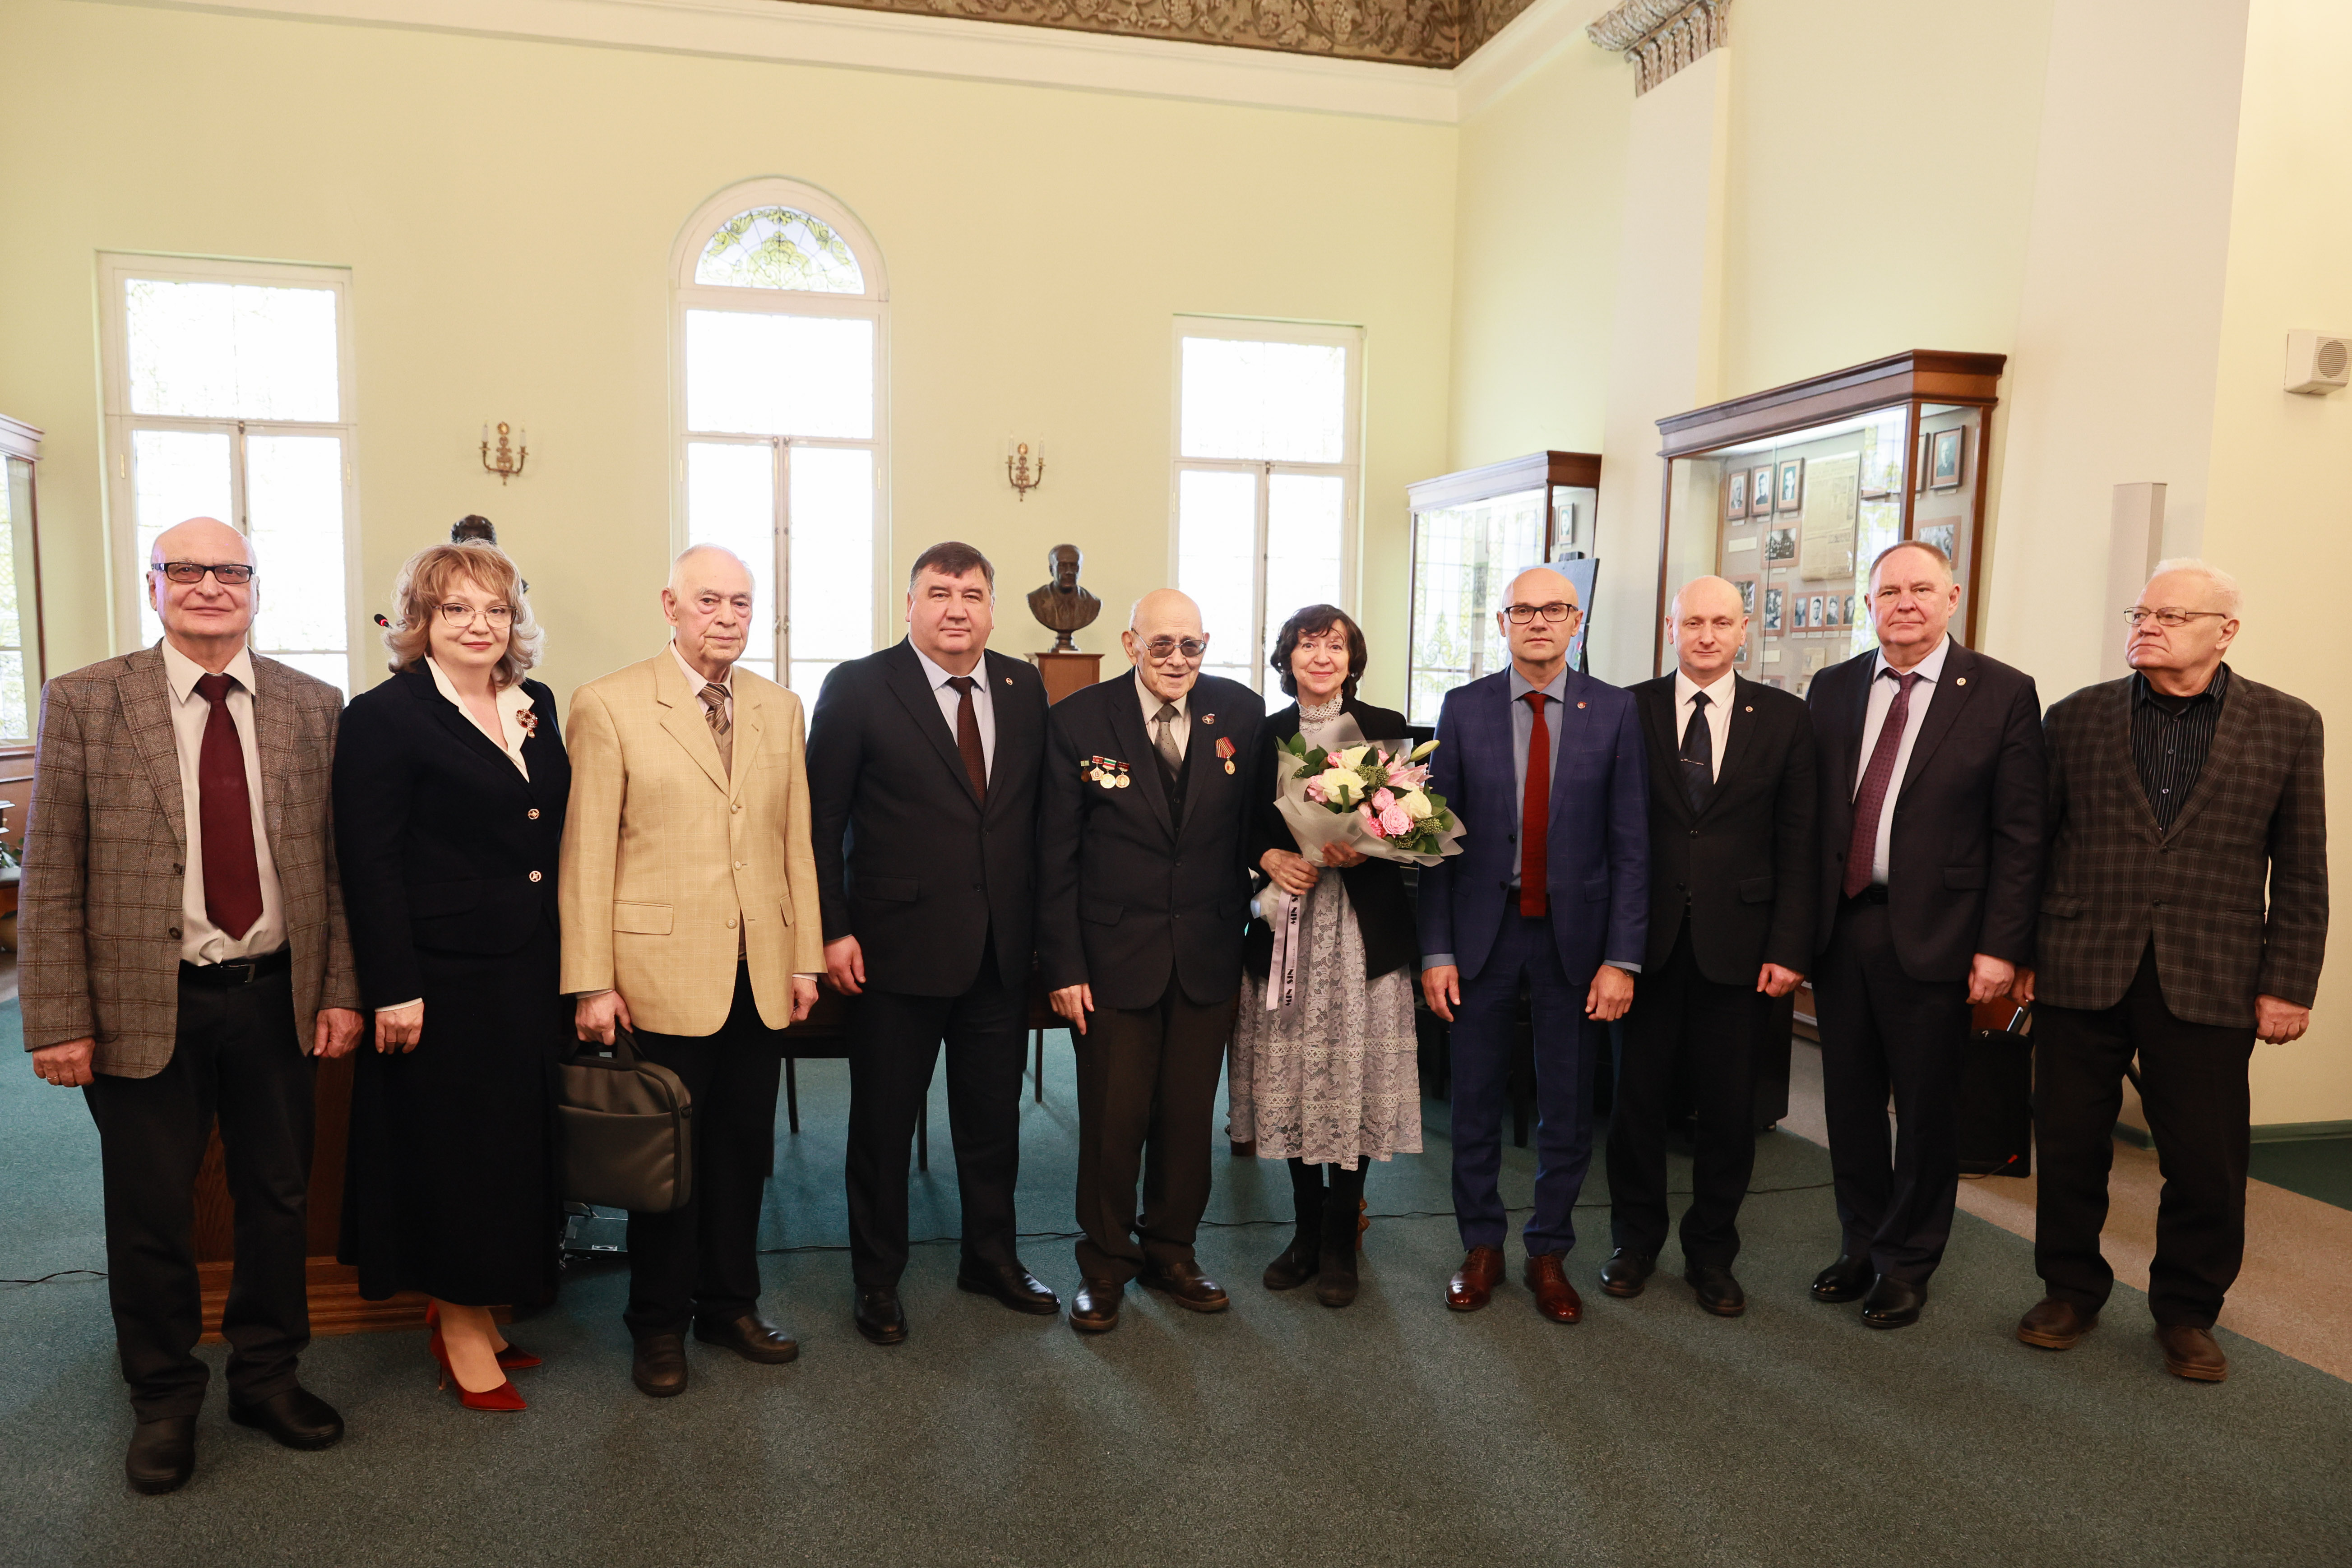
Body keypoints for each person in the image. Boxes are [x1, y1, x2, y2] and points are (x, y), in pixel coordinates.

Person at [19, 517, 363, 1494]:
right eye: (187, 570)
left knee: (278, 1199)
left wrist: (340, 988)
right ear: (154, 585)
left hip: (275, 996)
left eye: (231, 571)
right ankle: (164, 1398)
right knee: (151, 1212)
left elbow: (336, 867)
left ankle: (267, 1377)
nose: (211, 585)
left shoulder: (315, 706)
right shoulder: (87, 700)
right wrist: (58, 1017)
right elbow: (52, 872)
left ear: (256, 587)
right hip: (143, 1001)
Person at [2014, 560, 2325, 1382]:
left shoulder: (2289, 725)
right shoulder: (2075, 718)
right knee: (2071, 1145)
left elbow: (2302, 865)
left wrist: (2289, 982)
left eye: (2172, 615)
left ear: (2226, 631)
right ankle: (2069, 1291)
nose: (2148, 625)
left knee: (2206, 1163)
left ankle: (2187, 1312)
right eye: (2142, 612)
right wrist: (2021, 953)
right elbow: (2035, 846)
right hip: (2081, 961)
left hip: (2213, 971)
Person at [557, 544, 823, 1398]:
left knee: (743, 1155)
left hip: (760, 973)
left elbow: (795, 845)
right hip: (657, 977)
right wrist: (590, 980)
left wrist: (806, 959)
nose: (727, 617)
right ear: (669, 605)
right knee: (666, 1164)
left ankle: (730, 1305)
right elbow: (586, 855)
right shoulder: (608, 704)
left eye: (741, 603)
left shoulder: (780, 707)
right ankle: (658, 1323)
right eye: (709, 600)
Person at [333, 540, 570, 1412]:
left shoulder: (535, 701)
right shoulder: (383, 716)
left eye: (495, 609)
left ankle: (483, 1307)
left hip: (528, 964)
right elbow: (369, 863)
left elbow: (545, 826)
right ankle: (460, 1323)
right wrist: (393, 987)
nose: (479, 625)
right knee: (455, 1152)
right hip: (439, 976)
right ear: (420, 621)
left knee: (512, 1146)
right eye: (456, 609)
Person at [807, 541, 1059, 1346]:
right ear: (910, 604)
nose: (957, 609)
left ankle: (991, 1258)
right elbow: (820, 822)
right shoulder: (858, 686)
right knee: (884, 1128)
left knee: (992, 1122)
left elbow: (1034, 818)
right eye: (940, 593)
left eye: (972, 594)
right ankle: (877, 1280)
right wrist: (831, 928)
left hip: (998, 953)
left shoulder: (1023, 686)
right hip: (892, 952)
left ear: (992, 609)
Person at [1805, 540, 2044, 1329]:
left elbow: (2020, 834)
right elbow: (1811, 817)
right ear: (1868, 604)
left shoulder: (2003, 692)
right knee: (1849, 1105)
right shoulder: (1834, 687)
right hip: (1843, 928)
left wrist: (2002, 947)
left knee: (1927, 1111)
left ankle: (1908, 1261)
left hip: (1942, 936)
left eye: (1921, 589)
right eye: (1889, 592)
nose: (1904, 603)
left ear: (1952, 598)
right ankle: (1860, 1242)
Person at [1419, 565, 1648, 1326]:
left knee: (1568, 1107)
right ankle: (1481, 1246)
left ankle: (1549, 1251)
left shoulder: (1613, 710)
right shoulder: (1464, 708)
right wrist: (1436, 951)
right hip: (1482, 938)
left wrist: (1622, 958)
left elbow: (1632, 845)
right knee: (1475, 1103)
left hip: (1575, 942)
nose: (1539, 622)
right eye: (1524, 610)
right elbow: (1436, 841)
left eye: (1554, 610)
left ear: (1577, 621)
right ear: (1503, 622)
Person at [1037, 590, 1264, 1333]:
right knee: (1114, 1120)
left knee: (1187, 1119)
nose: (1176, 659)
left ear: (1206, 645)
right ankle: (1105, 1265)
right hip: (1111, 960)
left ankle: (1173, 1252)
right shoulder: (1078, 719)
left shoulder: (1240, 713)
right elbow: (1055, 857)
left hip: (1206, 954)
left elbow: (1254, 826)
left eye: (1190, 646)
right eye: (1161, 644)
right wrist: (1063, 966)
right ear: (1131, 643)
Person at [1603, 576, 1815, 1317]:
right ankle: (1634, 1243)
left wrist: (1791, 946)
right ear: (1671, 628)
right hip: (1644, 946)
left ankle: (1712, 1254)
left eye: (1722, 623)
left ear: (1745, 630)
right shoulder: (1626, 709)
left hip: (1743, 948)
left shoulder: (1786, 718)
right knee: (1636, 1107)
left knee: (1729, 1114)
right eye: (1693, 622)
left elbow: (1800, 839)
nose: (1706, 636)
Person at [1232, 605, 1421, 1309]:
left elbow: (1409, 825)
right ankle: (1305, 1234)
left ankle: (1342, 1238)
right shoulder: (1266, 732)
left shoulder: (1384, 725)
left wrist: (1369, 845)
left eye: (1334, 645)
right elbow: (1236, 825)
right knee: (1295, 1077)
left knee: (1353, 1079)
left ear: (1351, 658)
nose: (1321, 656)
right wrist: (1270, 855)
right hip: (1290, 927)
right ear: (1287, 658)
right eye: (1307, 644)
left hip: (1363, 932)